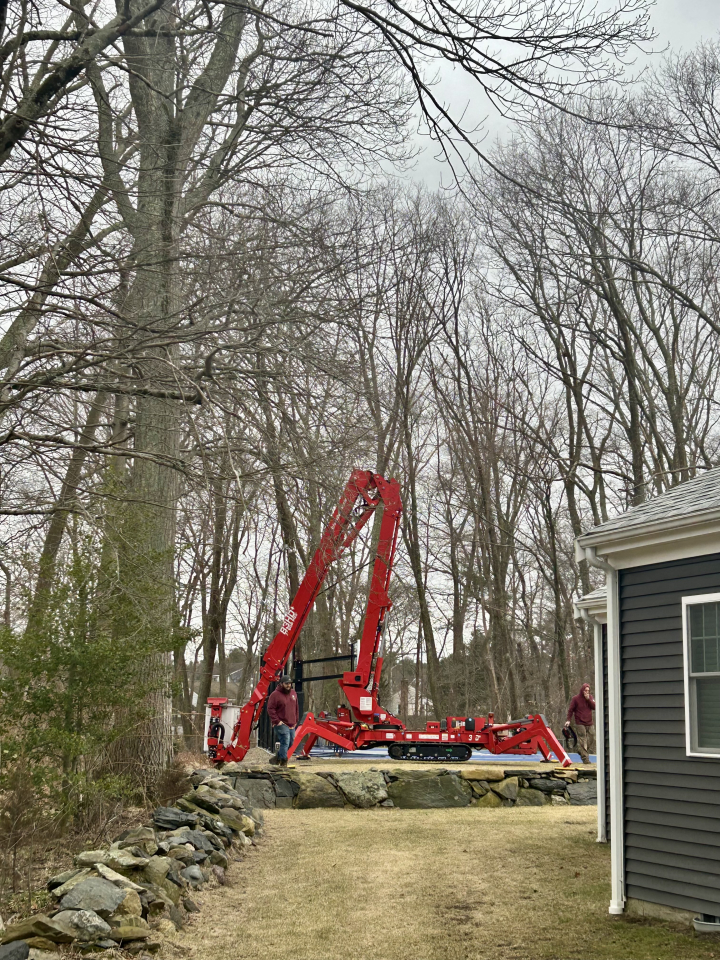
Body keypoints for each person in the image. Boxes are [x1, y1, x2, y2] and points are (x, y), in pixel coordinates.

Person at [267, 675, 299, 766]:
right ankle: (284, 762)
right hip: (281, 723)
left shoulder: (293, 693)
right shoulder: (275, 695)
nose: (288, 685)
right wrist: (277, 721)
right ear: (281, 684)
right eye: (286, 683)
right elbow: (270, 709)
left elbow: (296, 707)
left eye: (290, 683)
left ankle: (277, 758)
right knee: (285, 741)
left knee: (291, 743)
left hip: (291, 723)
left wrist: (296, 719)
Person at [564, 682, 596, 764]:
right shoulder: (575, 699)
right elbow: (570, 710)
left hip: (589, 722)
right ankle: (585, 759)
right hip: (580, 722)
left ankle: (581, 751)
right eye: (585, 690)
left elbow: (594, 707)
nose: (587, 692)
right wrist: (568, 720)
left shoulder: (590, 698)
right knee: (583, 740)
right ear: (582, 690)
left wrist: (588, 699)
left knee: (592, 738)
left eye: (588, 691)